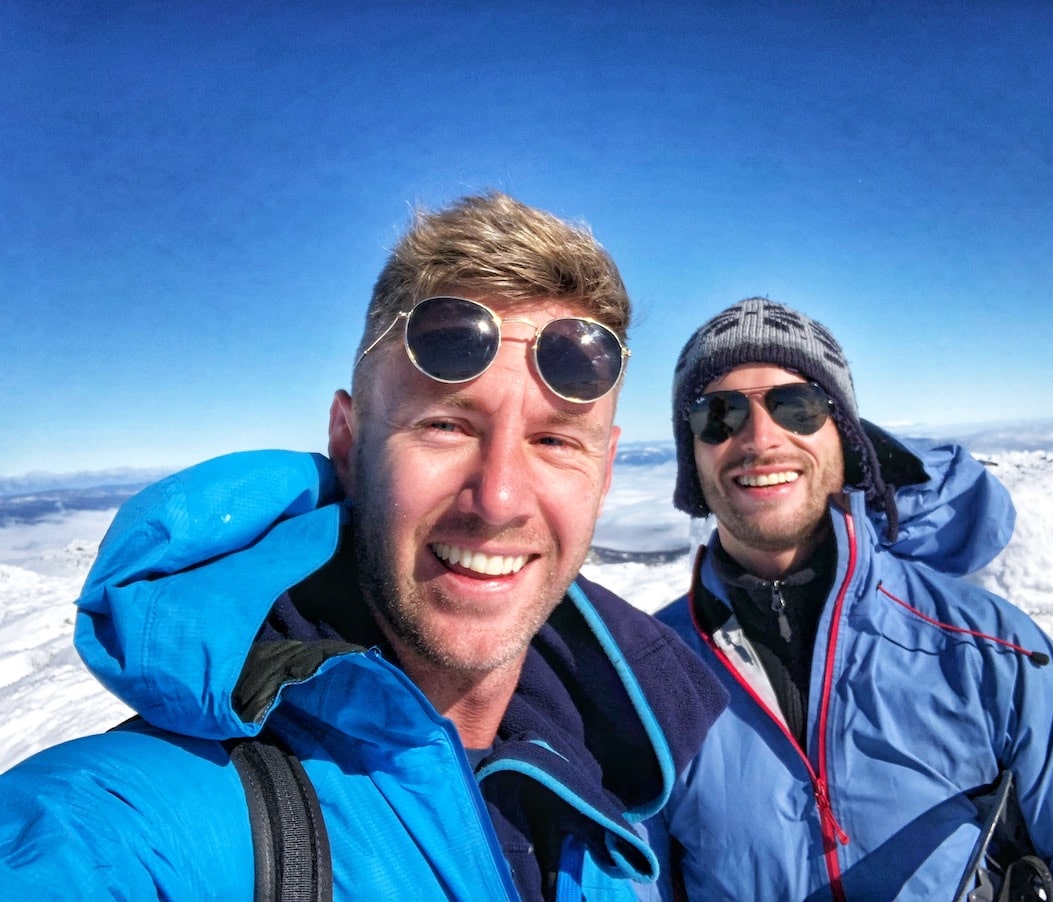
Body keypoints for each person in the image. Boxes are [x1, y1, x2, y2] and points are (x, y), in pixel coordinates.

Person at [0, 193, 726, 900]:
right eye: (446, 426)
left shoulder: (608, 782)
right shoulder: (131, 828)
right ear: (349, 444)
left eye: (556, 440)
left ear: (604, 471)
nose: (499, 499)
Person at [657, 297, 1053, 900]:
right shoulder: (646, 675)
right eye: (720, 414)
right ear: (693, 455)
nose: (760, 438)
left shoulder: (986, 647)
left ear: (846, 437)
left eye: (797, 406)